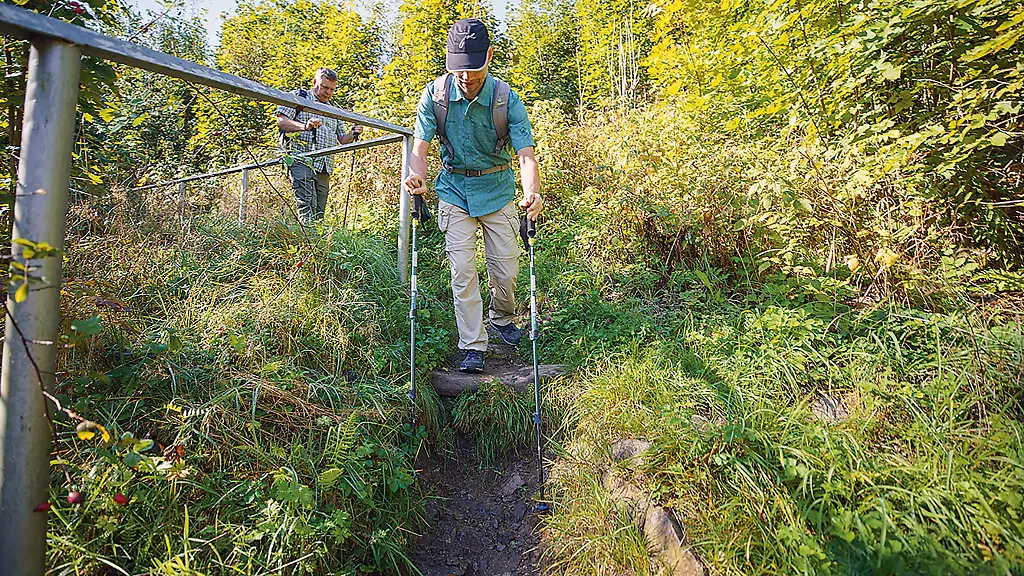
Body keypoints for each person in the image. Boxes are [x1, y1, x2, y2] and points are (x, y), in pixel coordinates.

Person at [402, 18, 544, 373]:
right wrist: (415, 175)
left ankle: (502, 318)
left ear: (490, 57)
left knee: (505, 269)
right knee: (463, 271)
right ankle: (472, 344)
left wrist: (533, 194)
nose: (467, 79)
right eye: (460, 71)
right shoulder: (434, 96)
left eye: (475, 71)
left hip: (497, 189)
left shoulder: (505, 99)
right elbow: (420, 147)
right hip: (453, 189)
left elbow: (525, 155)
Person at [276, 67, 363, 224]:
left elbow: (342, 140)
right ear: (315, 82)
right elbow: (281, 121)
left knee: (319, 213)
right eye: (324, 87)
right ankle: (307, 242)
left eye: (331, 89)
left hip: (324, 166)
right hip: (301, 159)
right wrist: (305, 126)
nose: (328, 92)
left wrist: (353, 132)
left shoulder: (333, 109)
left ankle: (316, 243)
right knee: (307, 207)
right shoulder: (299, 97)